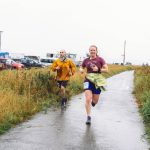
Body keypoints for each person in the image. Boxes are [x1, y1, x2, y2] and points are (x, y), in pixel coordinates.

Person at [80, 45, 108, 125]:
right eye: (91, 50)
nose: (92, 51)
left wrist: (98, 69)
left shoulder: (100, 59)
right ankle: (88, 116)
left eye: (94, 50)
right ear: (89, 51)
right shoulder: (86, 60)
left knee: (95, 101)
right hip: (88, 80)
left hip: (97, 81)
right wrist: (81, 70)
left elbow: (107, 70)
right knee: (88, 99)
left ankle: (93, 103)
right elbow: (81, 67)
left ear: (96, 51)